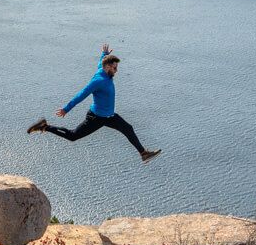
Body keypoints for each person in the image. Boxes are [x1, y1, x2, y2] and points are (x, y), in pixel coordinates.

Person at [27, 43, 161, 163]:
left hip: (110, 116)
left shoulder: (104, 71)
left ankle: (143, 154)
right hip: (96, 118)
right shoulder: (98, 81)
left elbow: (100, 62)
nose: (116, 71)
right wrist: (66, 109)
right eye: (114, 68)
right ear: (108, 67)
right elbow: (82, 94)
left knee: (128, 128)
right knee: (73, 136)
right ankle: (45, 126)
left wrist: (104, 54)